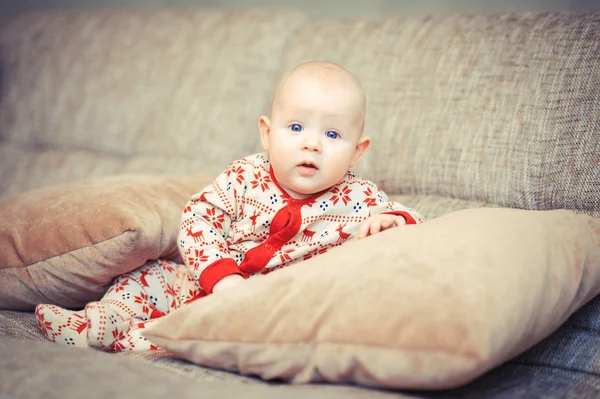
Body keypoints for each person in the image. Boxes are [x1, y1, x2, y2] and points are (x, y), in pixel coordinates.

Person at [35, 61, 423, 352]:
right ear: (267, 134)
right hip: (203, 279)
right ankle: (103, 320)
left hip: (267, 305)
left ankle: (135, 340)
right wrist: (220, 277)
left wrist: (393, 220)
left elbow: (414, 220)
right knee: (147, 277)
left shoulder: (360, 198)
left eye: (333, 134)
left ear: (357, 153)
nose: (312, 144)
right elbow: (198, 219)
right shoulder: (244, 175)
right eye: (296, 127)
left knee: (203, 331)